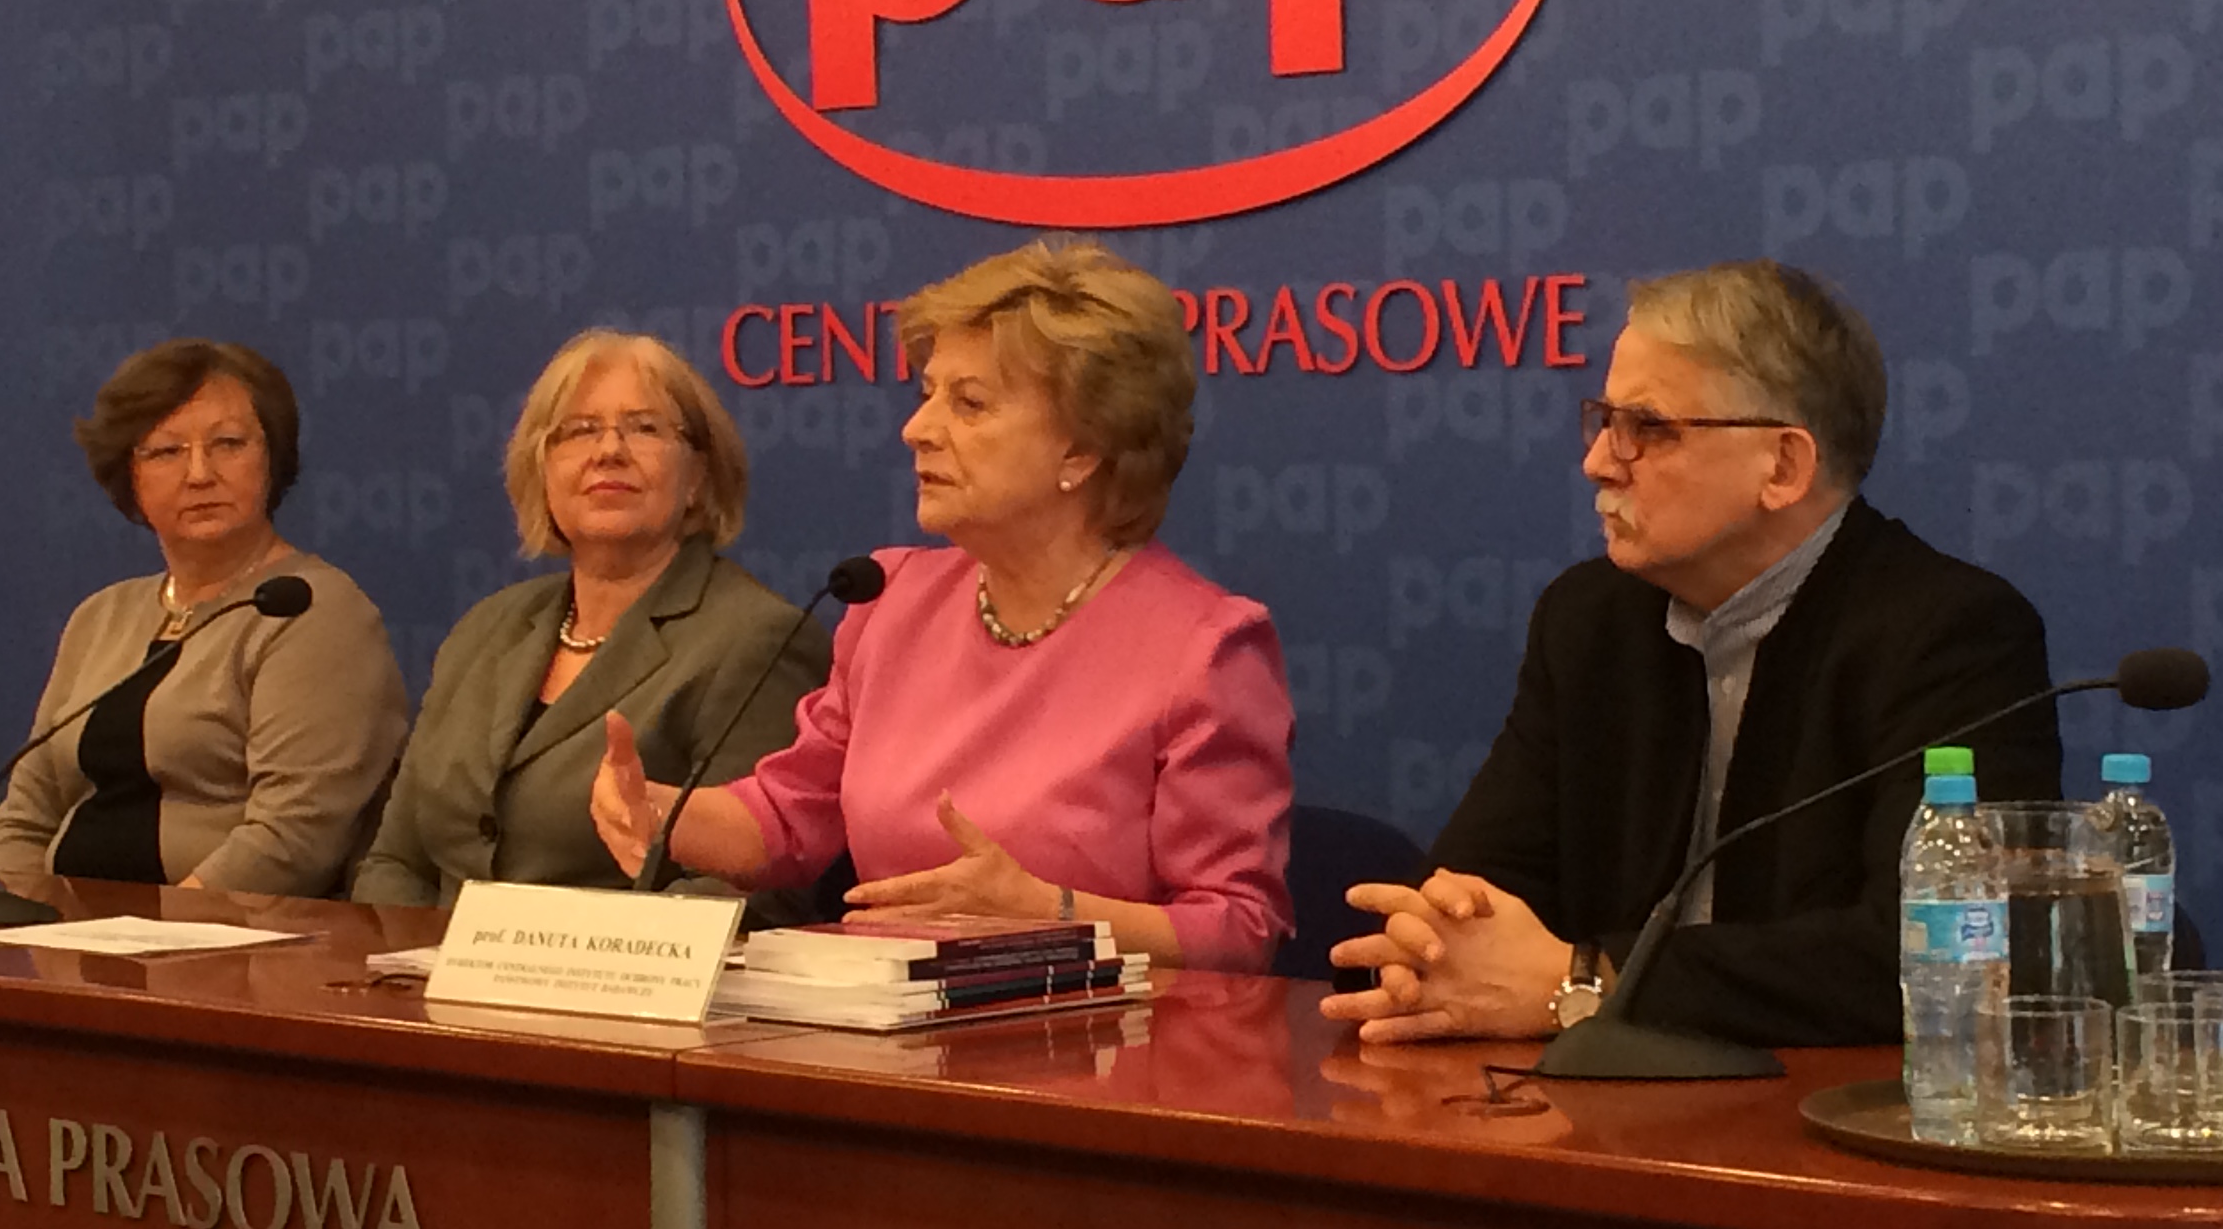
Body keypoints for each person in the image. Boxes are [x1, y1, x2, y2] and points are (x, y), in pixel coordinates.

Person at [1325, 259, 2060, 1052]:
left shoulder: (1950, 635)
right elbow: (1480, 885)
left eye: (1647, 428)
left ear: (1783, 466)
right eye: (1604, 420)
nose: (1599, 461)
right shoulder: (1590, 621)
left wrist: (1589, 982)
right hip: (1599, 1103)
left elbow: (1930, 952)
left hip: (1828, 1102)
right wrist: (1429, 950)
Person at [592, 238, 1294, 971]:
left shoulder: (1204, 649)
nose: (917, 429)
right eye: (927, 393)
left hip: (1099, 1034)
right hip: (885, 1023)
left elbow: (1239, 932)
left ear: (1081, 452)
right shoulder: (892, 602)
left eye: (970, 404)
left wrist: (1050, 914)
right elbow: (787, 817)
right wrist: (661, 811)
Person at [351, 331, 828, 911]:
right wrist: (420, 956)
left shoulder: (757, 639)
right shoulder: (487, 628)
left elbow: (751, 887)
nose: (608, 451)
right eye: (579, 431)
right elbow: (396, 861)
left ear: (698, 477)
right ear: (543, 471)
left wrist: (537, 956)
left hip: (619, 967)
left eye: (644, 428)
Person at [0, 337, 404, 895]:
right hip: (67, 931)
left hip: (228, 934)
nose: (200, 473)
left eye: (228, 444)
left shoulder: (314, 610)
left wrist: (159, 931)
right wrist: (8, 919)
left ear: (272, 459)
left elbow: (293, 838)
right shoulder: (102, 615)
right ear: (128, 475)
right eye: (166, 452)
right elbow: (27, 816)